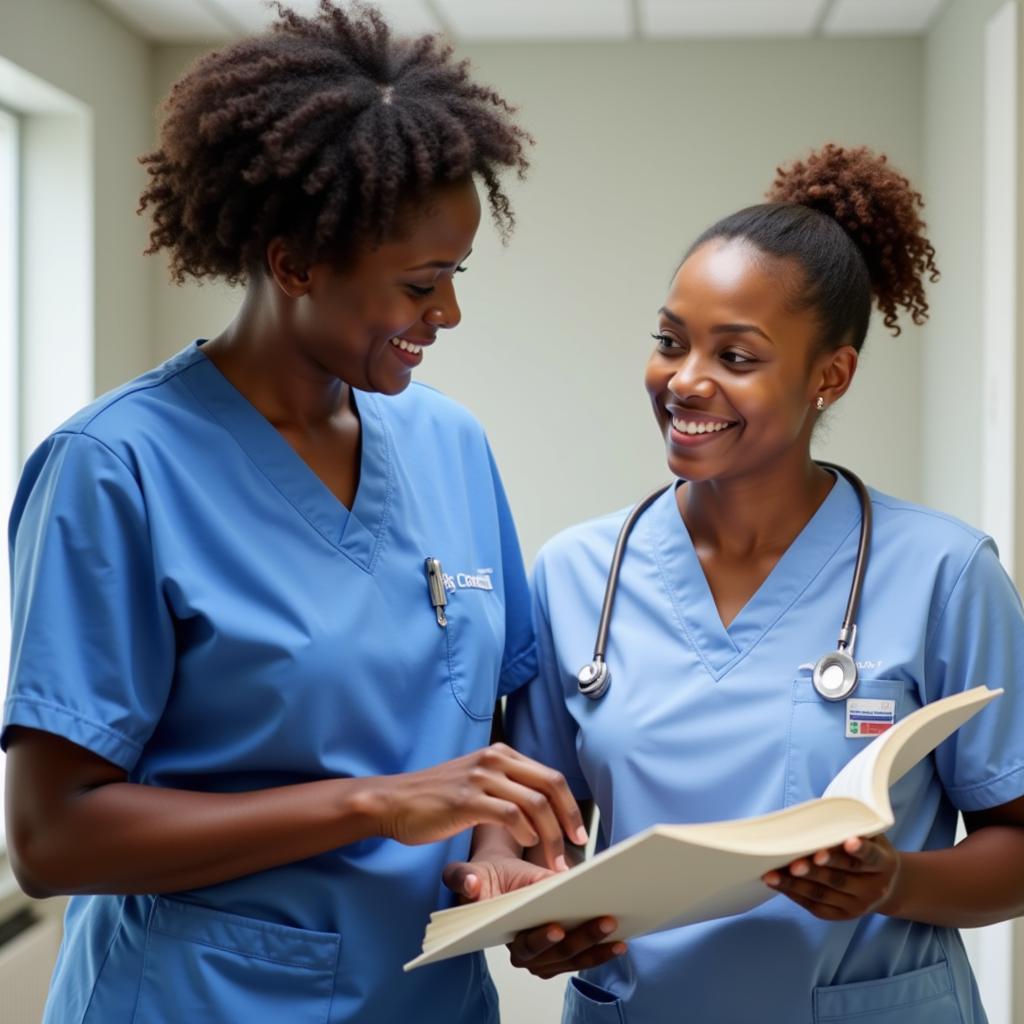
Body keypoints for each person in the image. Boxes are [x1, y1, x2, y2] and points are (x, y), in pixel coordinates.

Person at [1, 4, 588, 1022]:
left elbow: (488, 732)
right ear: (293, 263)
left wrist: (501, 858)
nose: (445, 315)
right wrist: (379, 803)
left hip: (426, 995)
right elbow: (53, 841)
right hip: (200, 998)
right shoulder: (115, 468)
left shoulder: (449, 446)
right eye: (420, 284)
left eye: (454, 278)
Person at [445, 144, 1024, 1023]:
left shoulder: (945, 574)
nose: (685, 380)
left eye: (736, 356)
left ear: (829, 376)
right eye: (670, 341)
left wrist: (893, 881)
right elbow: (532, 840)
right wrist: (533, 913)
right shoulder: (576, 576)